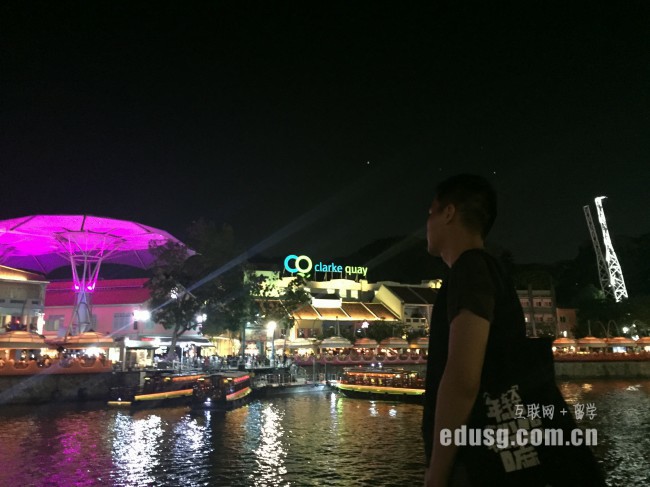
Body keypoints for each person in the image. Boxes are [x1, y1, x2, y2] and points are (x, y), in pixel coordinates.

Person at [422, 174, 605, 486]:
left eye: (430, 213)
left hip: (479, 460)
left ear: (449, 212)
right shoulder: (492, 270)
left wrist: (437, 473)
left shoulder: (470, 268)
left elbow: (462, 378)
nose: (426, 223)